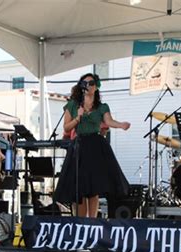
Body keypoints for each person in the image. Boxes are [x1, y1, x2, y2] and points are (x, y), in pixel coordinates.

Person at [54, 73, 130, 218]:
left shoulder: (102, 107)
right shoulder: (73, 105)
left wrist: (121, 125)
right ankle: (81, 224)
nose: (88, 85)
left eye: (91, 83)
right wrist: (78, 117)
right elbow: (66, 128)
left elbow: (108, 121)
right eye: (85, 83)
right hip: (79, 146)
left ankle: (92, 222)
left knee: (94, 187)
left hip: (95, 146)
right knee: (80, 187)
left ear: (96, 87)